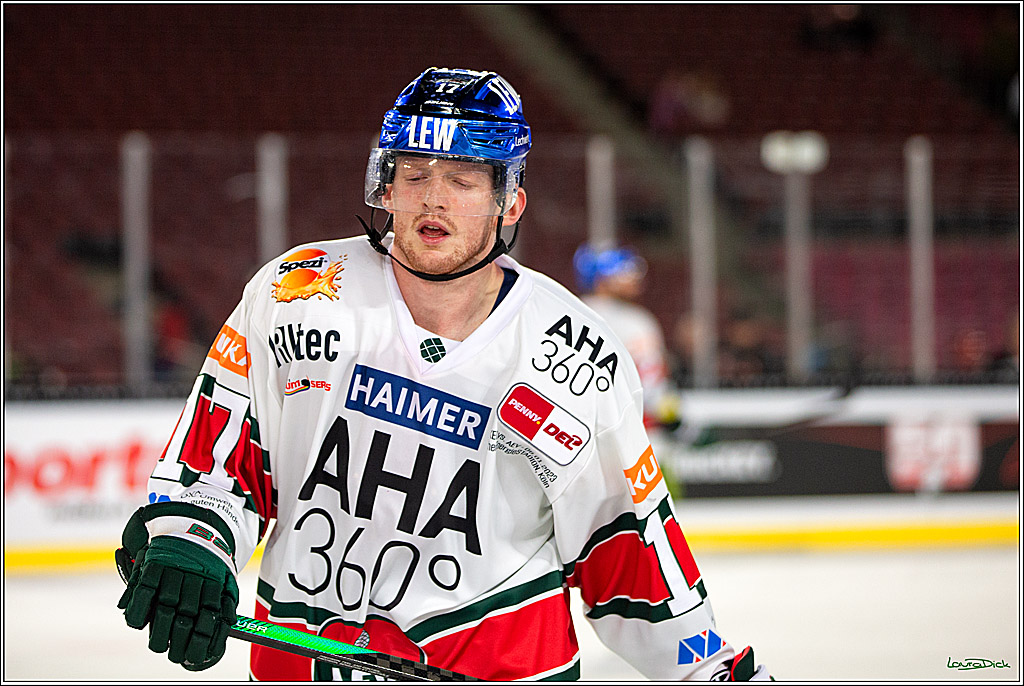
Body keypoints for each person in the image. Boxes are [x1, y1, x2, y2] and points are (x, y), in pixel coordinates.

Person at [115, 67, 770, 681]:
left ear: (508, 202)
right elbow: (217, 462)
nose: (433, 196)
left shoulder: (578, 356)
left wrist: (709, 670)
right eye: (415, 171)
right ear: (386, 185)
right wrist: (191, 537)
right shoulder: (299, 290)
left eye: (462, 178)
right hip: (306, 666)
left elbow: (627, 546)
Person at [572, 242, 678, 431]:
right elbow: (653, 386)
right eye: (621, 274)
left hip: (576, 425)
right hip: (634, 429)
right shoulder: (636, 321)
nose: (632, 279)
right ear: (601, 280)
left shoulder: (568, 310)